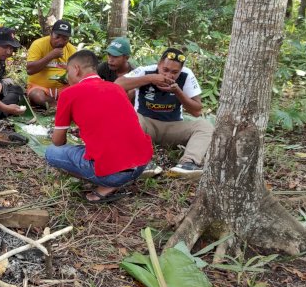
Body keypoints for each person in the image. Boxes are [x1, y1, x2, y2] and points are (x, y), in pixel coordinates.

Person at [45, 50, 153, 203]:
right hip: (141, 164)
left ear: (76, 69)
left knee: (51, 152)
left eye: (68, 71)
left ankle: (106, 182)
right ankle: (116, 179)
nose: (67, 77)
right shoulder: (116, 88)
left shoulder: (68, 93)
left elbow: (58, 142)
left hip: (113, 172)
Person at [115, 48, 214, 180]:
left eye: (175, 72)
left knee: (204, 126)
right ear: (159, 65)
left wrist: (178, 91)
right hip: (145, 125)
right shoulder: (146, 71)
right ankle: (141, 163)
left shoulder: (186, 75)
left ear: (181, 70)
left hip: (173, 127)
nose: (169, 75)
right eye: (165, 70)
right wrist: (150, 78)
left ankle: (188, 164)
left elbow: (196, 111)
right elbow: (117, 85)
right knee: (128, 117)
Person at [25, 20, 77, 108]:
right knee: (37, 96)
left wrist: (68, 76)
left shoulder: (71, 49)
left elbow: (77, 73)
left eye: (65, 38)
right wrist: (50, 56)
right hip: (40, 88)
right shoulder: (38, 44)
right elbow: (30, 70)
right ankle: (57, 105)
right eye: (57, 37)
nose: (60, 41)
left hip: (63, 88)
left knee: (79, 93)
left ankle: (57, 105)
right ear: (51, 34)